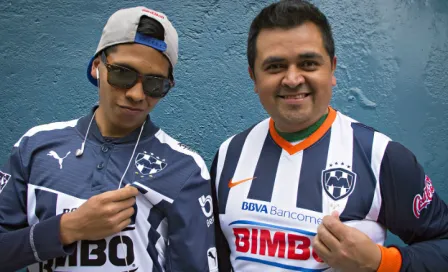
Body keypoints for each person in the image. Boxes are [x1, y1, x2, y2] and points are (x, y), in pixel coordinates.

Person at [210, 0, 448, 271]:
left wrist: (382, 262)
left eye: (308, 63)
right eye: (275, 67)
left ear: (332, 69)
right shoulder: (230, 154)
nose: (292, 79)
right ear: (254, 77)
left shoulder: (381, 157)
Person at [0, 6, 217, 272]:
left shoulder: (185, 168)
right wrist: (68, 228)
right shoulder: (34, 147)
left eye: (154, 84)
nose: (137, 95)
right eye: (123, 74)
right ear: (97, 67)